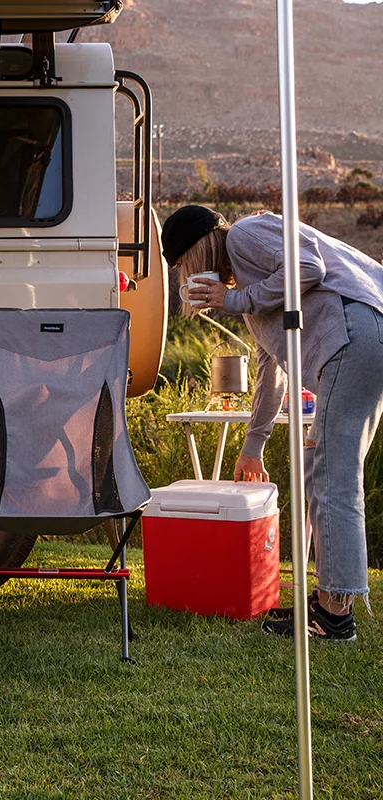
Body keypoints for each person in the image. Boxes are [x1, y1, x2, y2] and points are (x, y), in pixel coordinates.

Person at [161, 205, 383, 641]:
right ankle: (329, 602)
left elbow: (309, 265)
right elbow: (272, 371)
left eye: (184, 265)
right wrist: (253, 445)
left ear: (200, 249)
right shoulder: (251, 290)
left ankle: (335, 617)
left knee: (332, 477)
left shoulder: (243, 234)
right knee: (323, 470)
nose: (188, 278)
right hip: (356, 341)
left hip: (354, 337)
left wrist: (233, 300)